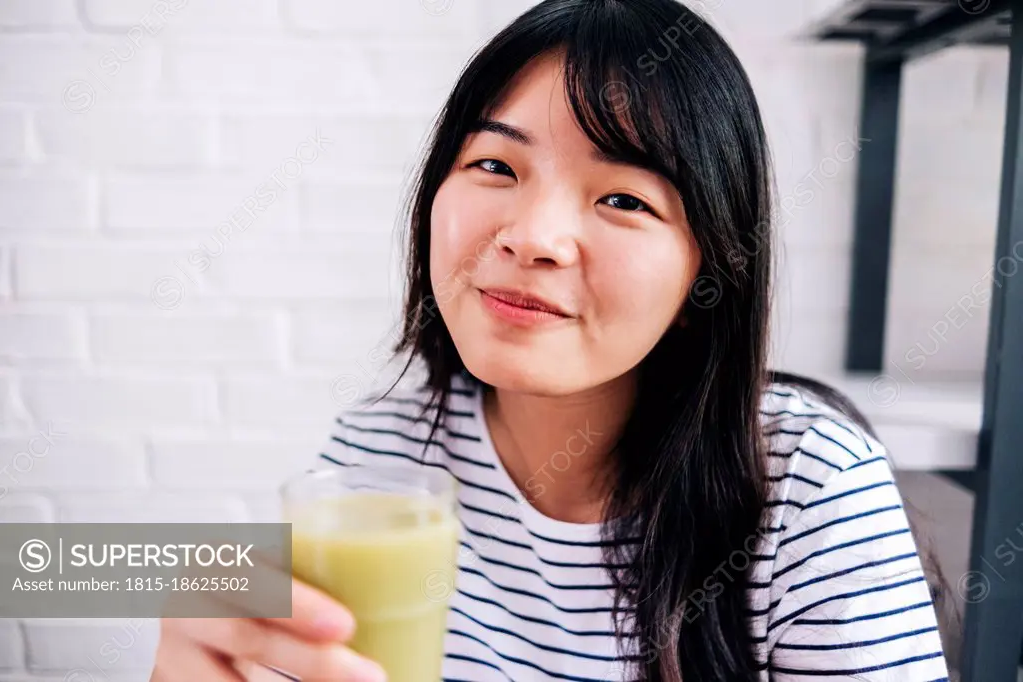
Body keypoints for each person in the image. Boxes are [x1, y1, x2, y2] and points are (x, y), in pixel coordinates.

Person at [150, 0, 951, 679]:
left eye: (625, 199)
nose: (533, 237)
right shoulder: (385, 452)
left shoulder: (808, 483)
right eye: (496, 167)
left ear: (707, 273)